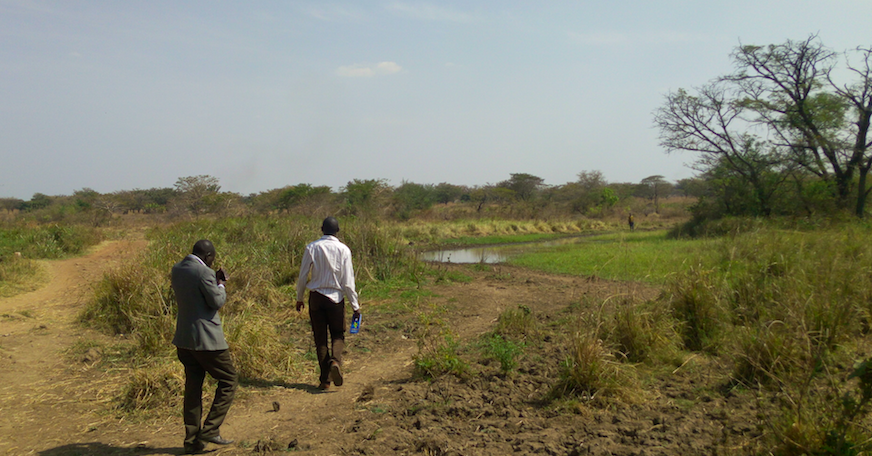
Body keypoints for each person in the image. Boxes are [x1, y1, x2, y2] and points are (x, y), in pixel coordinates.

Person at [171, 239, 238, 454]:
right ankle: (210, 429)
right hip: (207, 339)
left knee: (193, 387)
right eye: (212, 259)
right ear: (208, 256)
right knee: (229, 379)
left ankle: (191, 440)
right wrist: (221, 284)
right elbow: (216, 301)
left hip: (184, 338)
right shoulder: (204, 273)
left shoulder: (177, 269)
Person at [296, 216, 360, 390]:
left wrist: (299, 298)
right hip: (336, 298)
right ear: (338, 231)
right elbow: (348, 281)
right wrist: (355, 305)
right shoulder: (343, 250)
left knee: (320, 338)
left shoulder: (312, 247)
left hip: (316, 297)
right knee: (338, 334)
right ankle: (336, 362)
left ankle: (324, 380)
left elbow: (303, 276)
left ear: (321, 229)